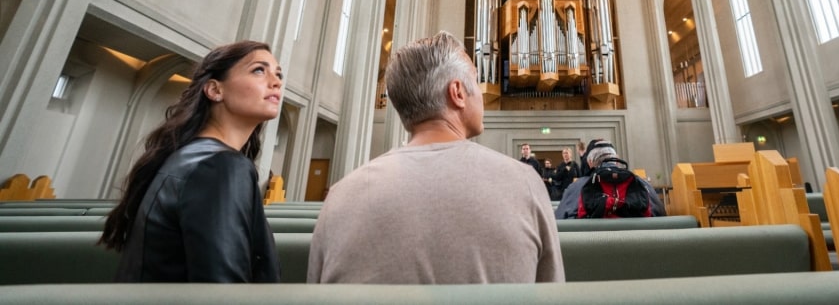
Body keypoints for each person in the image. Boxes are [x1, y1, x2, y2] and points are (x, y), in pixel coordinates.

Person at [308, 31, 563, 284]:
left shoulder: (339, 197)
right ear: (458, 93)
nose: (483, 94)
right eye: (476, 82)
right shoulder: (524, 183)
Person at [100, 41, 283, 282]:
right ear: (215, 90)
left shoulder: (190, 156)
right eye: (259, 70)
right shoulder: (220, 166)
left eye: (278, 73)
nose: (276, 81)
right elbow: (222, 293)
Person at [555, 140, 666, 219]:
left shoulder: (576, 187)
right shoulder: (642, 183)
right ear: (617, 160)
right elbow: (661, 215)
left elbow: (559, 222)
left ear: (589, 163)